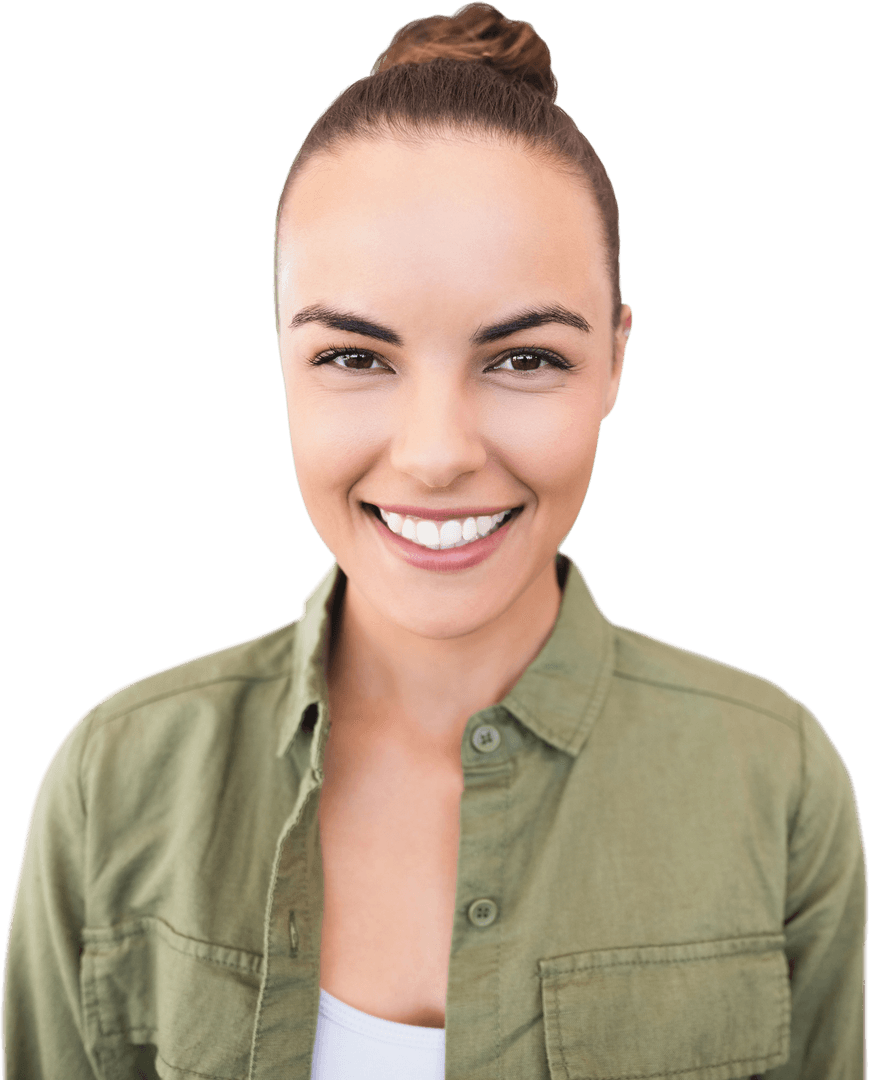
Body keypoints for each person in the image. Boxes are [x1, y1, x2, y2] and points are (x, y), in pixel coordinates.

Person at [3, 3, 866, 1078]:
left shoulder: (773, 779)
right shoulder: (113, 782)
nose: (437, 453)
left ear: (615, 362)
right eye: (356, 360)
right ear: (279, 359)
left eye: (525, 359)